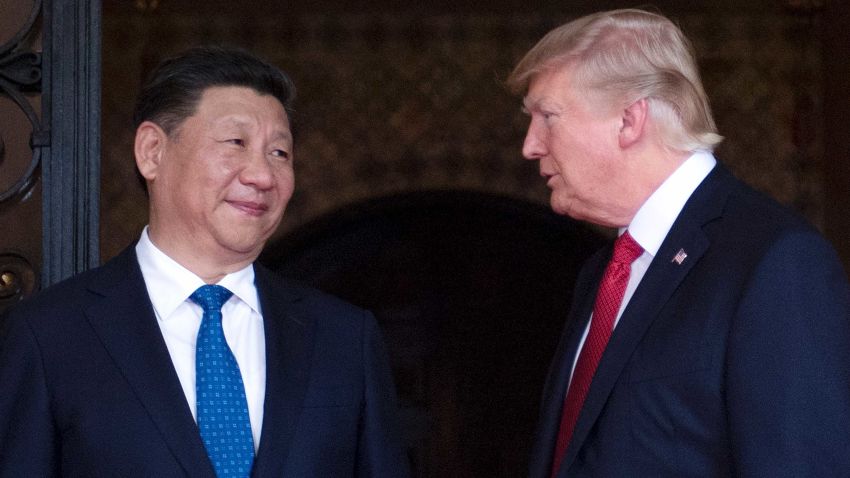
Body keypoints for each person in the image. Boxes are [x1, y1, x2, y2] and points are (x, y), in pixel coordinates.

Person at [0, 46, 410, 478]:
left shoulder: (344, 339)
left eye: (280, 154)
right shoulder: (49, 337)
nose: (262, 176)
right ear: (152, 151)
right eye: (236, 143)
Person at [507, 9, 850, 478]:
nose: (530, 145)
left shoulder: (775, 263)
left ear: (630, 119)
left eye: (547, 116)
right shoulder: (603, 272)